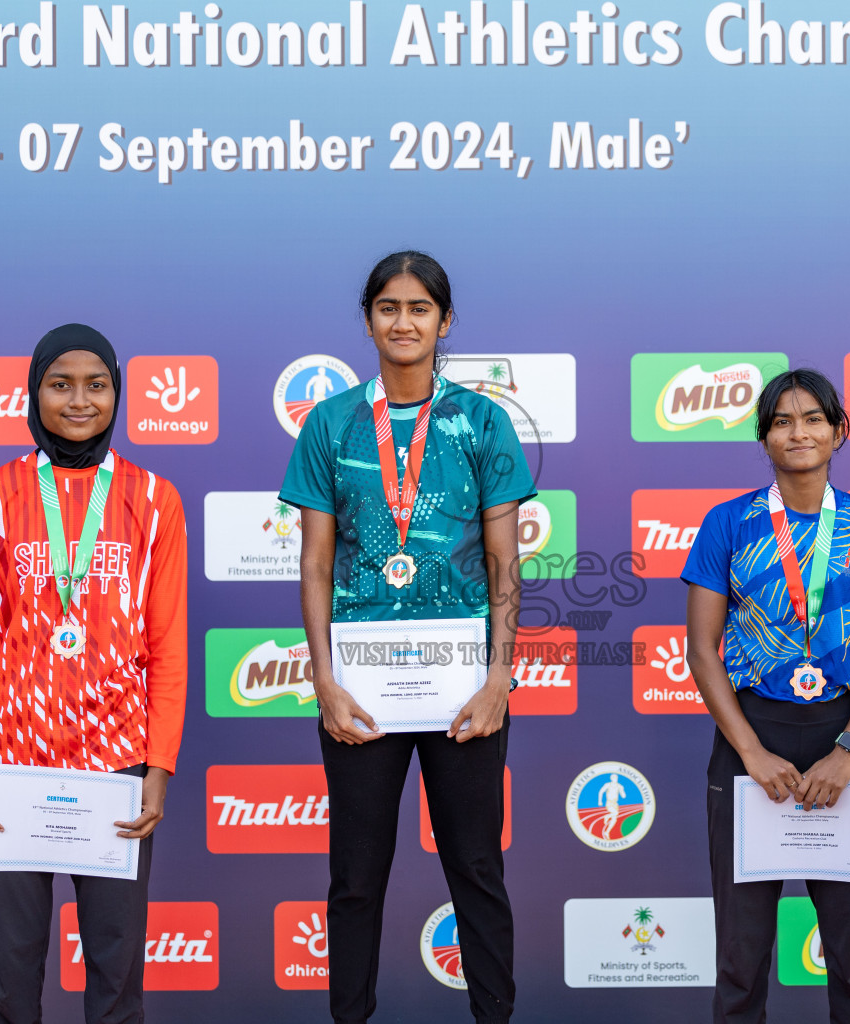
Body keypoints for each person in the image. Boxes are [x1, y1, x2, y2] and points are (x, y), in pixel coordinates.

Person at [280, 251, 533, 1024]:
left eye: (420, 308)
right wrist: (323, 682)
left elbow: (503, 563)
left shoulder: (482, 420)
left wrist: (499, 679)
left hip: (464, 686)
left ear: (445, 321)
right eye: (388, 307)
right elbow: (317, 564)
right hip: (360, 688)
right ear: (368, 321)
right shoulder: (330, 422)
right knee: (355, 876)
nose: (403, 321)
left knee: (477, 868)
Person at [0, 324, 187, 1024]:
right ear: (34, 392)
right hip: (8, 772)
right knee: (12, 981)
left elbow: (167, 650)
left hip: (115, 769)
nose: (79, 401)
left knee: (116, 979)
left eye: (96, 384)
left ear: (118, 391)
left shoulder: (153, 499)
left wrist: (157, 770)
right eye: (60, 384)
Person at [683, 368, 850, 1024]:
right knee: (741, 957)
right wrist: (752, 753)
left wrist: (848, 748)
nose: (798, 432)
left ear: (839, 431)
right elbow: (702, 651)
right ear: (764, 440)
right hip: (750, 740)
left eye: (813, 418)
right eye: (781, 422)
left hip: (846, 739)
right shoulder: (729, 523)